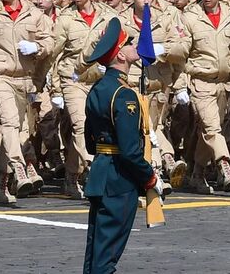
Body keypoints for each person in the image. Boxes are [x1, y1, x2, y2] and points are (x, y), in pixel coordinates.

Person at [81, 17, 156, 274]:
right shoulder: (123, 94)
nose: (135, 45)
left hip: (102, 171)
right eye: (129, 43)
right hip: (119, 178)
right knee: (107, 255)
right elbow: (129, 149)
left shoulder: (99, 88)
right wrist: (149, 177)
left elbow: (90, 140)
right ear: (121, 56)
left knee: (96, 250)